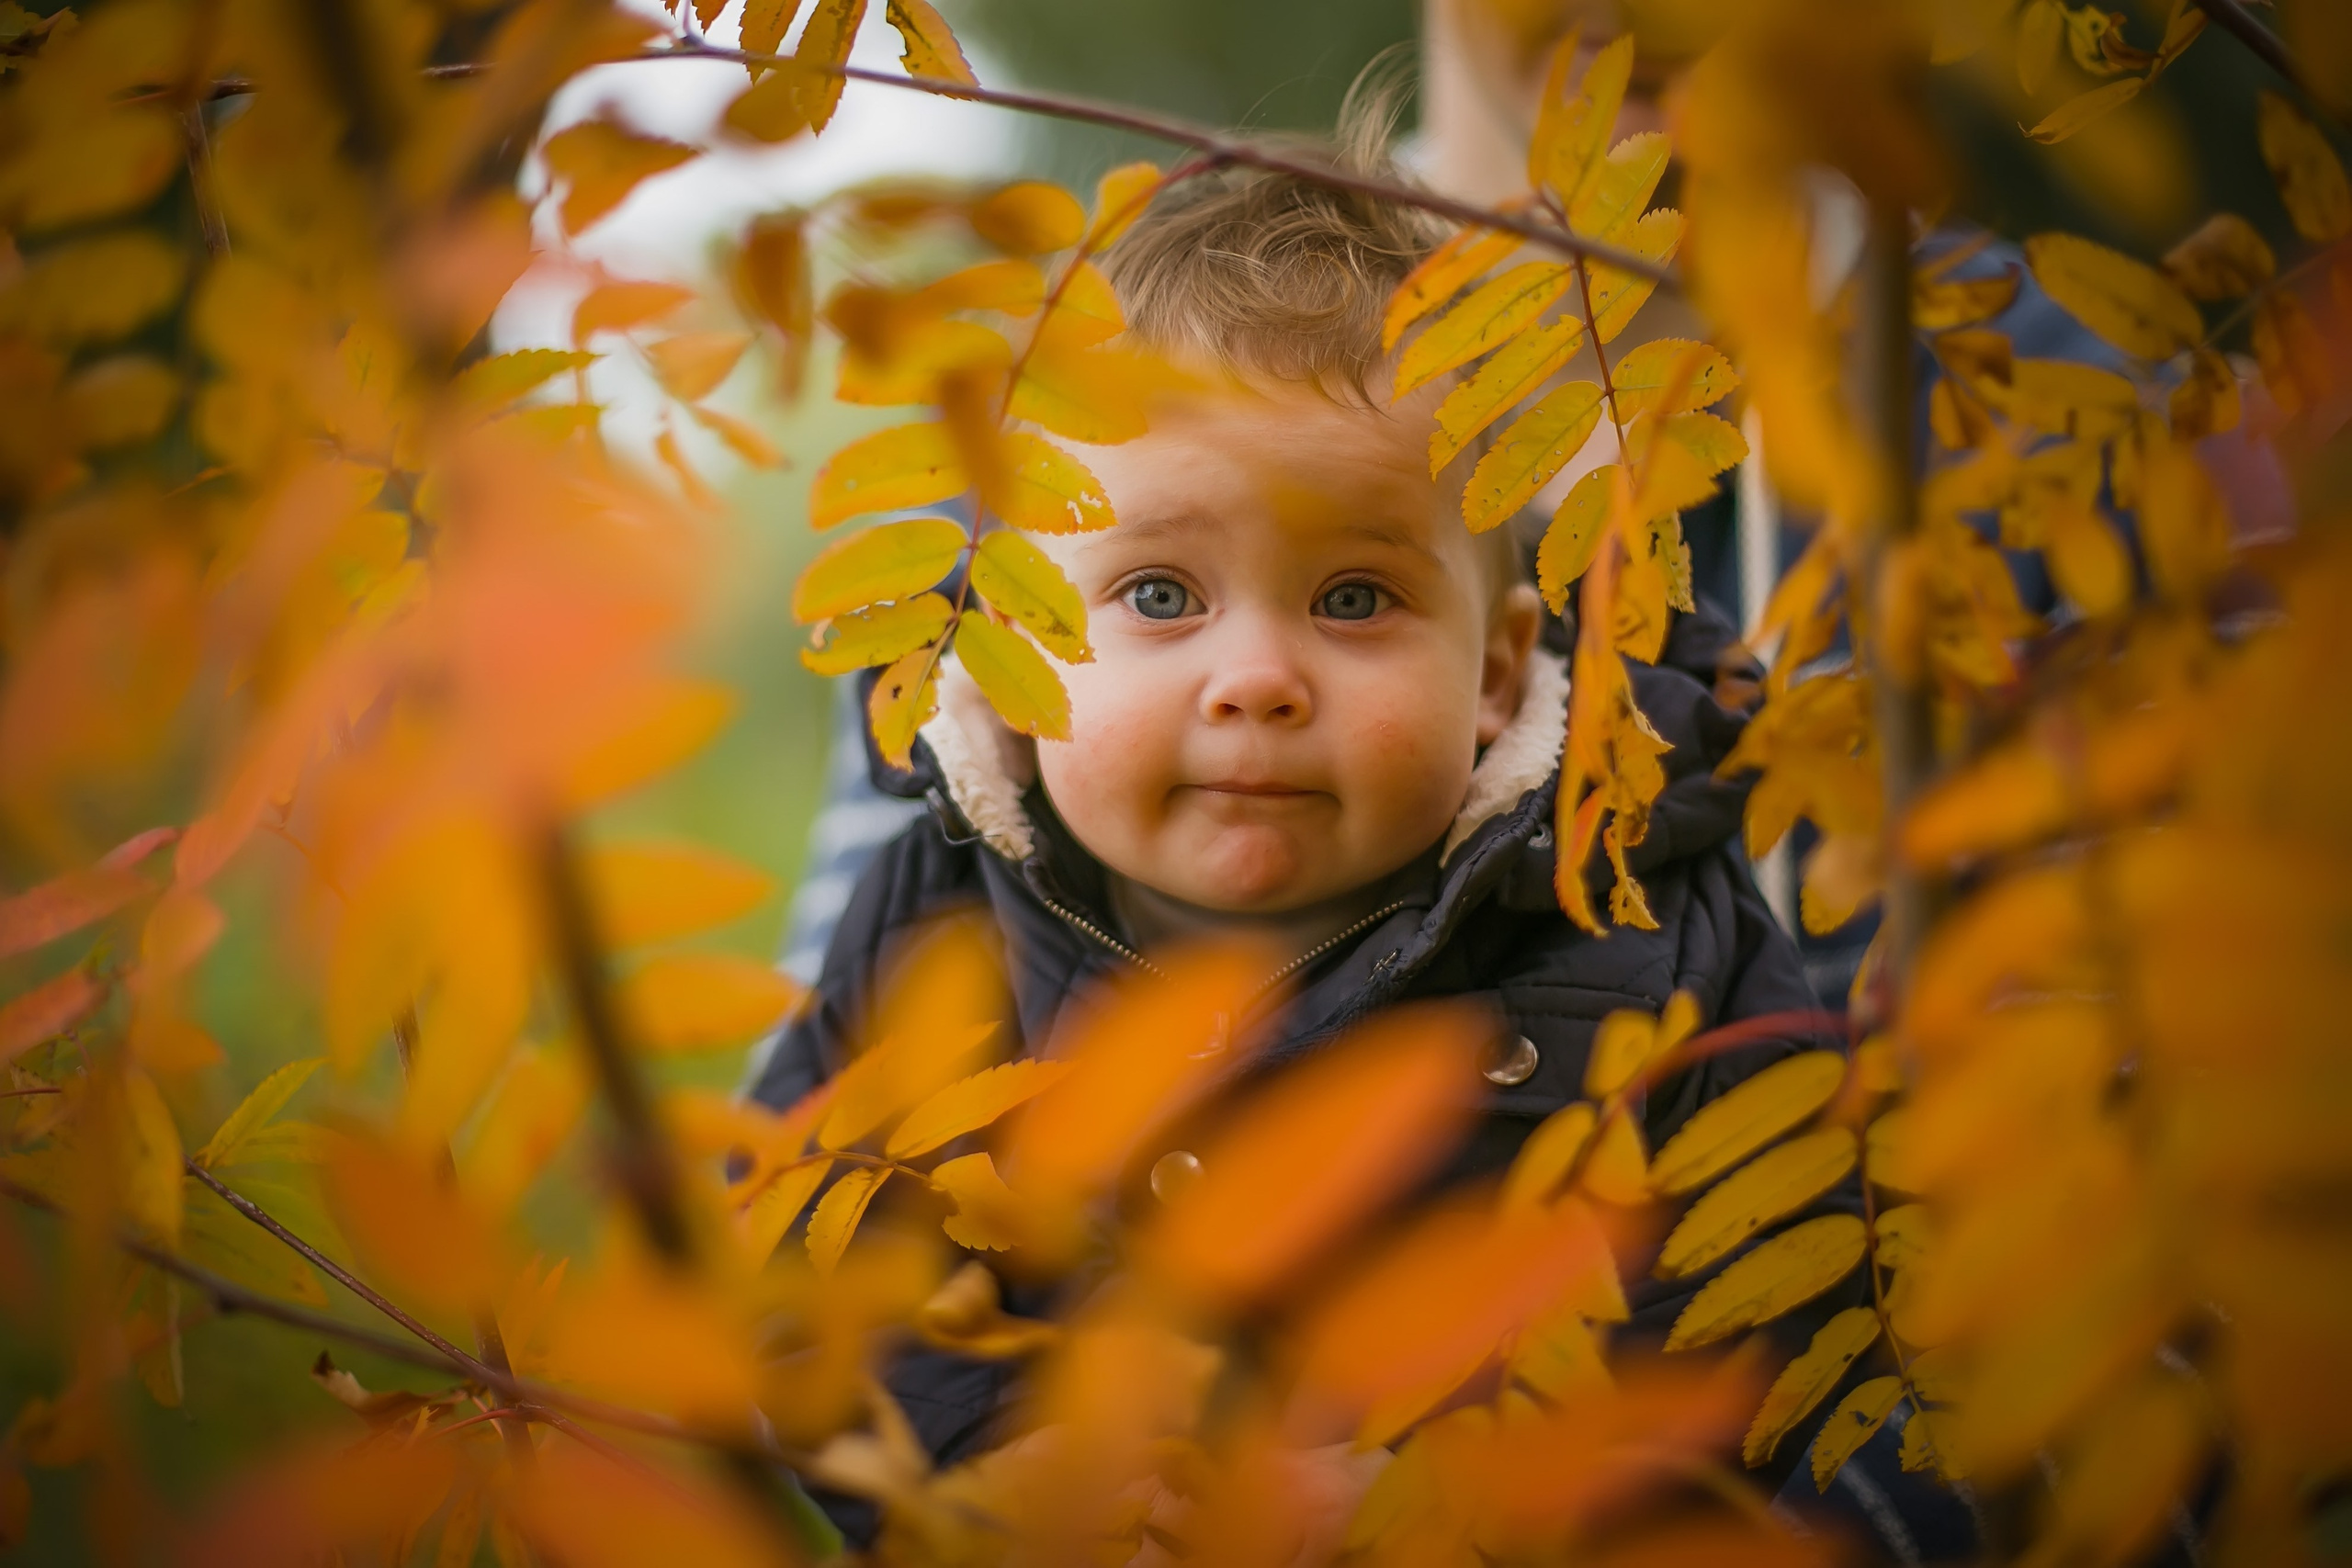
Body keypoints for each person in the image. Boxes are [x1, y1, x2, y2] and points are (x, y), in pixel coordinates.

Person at [745, 133, 1948, 1558]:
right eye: (1158, 591)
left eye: (1359, 598)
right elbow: (789, 1254)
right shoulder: (943, 908)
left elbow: (1788, 1351)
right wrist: (959, 1467)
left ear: (1499, 671)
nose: (1256, 675)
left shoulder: (1640, 919)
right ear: (1015, 634)